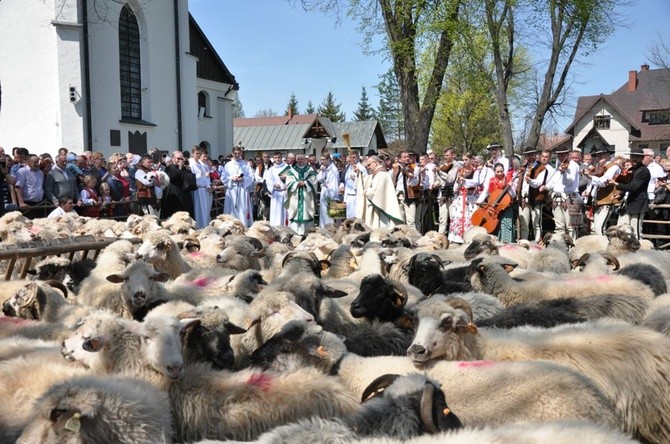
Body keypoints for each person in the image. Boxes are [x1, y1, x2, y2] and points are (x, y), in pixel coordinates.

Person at [610, 146, 650, 239]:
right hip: (627, 204)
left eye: (637, 157)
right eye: (633, 156)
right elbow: (629, 186)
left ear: (642, 158)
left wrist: (616, 183)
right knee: (621, 229)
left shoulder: (644, 171)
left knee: (636, 231)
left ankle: (640, 252)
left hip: (638, 205)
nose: (634, 159)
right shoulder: (633, 170)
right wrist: (620, 194)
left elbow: (634, 187)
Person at [355, 155, 403, 228]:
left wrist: (366, 191)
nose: (368, 167)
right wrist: (359, 173)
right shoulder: (376, 174)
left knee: (381, 228)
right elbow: (367, 180)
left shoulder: (383, 175)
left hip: (380, 207)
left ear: (375, 163)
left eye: (369, 165)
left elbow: (376, 192)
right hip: (375, 207)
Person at [582, 145, 620, 235]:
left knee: (600, 228)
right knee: (595, 228)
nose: (598, 157)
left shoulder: (613, 167)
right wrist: (588, 191)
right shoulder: (601, 168)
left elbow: (603, 183)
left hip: (607, 201)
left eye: (601, 155)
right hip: (598, 202)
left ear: (608, 155)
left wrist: (589, 176)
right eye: (597, 155)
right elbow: (595, 183)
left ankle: (603, 247)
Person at [546, 146, 582, 240]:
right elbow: (554, 180)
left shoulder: (573, 165)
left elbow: (570, 182)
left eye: (563, 155)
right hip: (557, 197)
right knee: (559, 226)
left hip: (570, 197)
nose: (561, 157)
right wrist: (546, 186)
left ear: (567, 154)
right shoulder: (558, 164)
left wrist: (564, 172)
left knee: (571, 226)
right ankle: (560, 245)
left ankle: (573, 246)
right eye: (559, 155)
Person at [477, 162, 517, 242]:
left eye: (501, 171)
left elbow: (513, 195)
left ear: (504, 171)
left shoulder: (508, 179)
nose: (499, 173)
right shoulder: (491, 180)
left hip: (505, 206)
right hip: (494, 207)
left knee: (506, 224)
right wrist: (479, 200)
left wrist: (510, 187)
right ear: (494, 171)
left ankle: (506, 242)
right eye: (497, 172)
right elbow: (486, 192)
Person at [521, 148, 551, 241]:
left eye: (531, 154)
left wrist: (530, 181)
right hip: (523, 198)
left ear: (535, 155)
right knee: (524, 224)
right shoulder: (523, 168)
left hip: (535, 199)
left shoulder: (541, 168)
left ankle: (538, 244)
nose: (530, 157)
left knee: (536, 224)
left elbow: (538, 183)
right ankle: (524, 243)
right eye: (528, 155)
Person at [284, 153, 317, 235]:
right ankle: (294, 232)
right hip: (295, 195)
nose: (300, 161)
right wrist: (296, 184)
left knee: (306, 212)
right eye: (298, 159)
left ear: (305, 160)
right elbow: (288, 182)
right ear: (296, 160)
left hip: (306, 195)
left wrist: (305, 183)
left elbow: (314, 181)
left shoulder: (310, 169)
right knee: (295, 213)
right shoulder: (292, 170)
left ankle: (307, 232)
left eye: (301, 159)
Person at [223, 146, 254, 227]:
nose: (237, 155)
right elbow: (223, 177)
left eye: (238, 153)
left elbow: (251, 176)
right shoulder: (228, 165)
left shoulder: (245, 164)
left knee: (243, 209)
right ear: (233, 154)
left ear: (241, 153)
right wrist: (232, 178)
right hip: (232, 189)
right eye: (235, 153)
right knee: (232, 209)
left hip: (242, 189)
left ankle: (243, 225)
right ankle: (231, 226)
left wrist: (243, 179)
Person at [448, 161, 478, 244]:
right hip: (460, 200)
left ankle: (470, 237)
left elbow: (475, 183)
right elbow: (455, 189)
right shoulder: (460, 172)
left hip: (470, 200)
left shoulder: (475, 173)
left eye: (467, 159)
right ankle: (457, 238)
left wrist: (465, 180)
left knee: (470, 217)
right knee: (459, 216)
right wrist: (458, 182)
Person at [160, 150, 195, 220]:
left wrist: (185, 169)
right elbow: (173, 177)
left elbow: (189, 179)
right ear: (173, 158)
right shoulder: (169, 168)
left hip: (184, 195)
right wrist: (180, 168)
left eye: (181, 159)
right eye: (178, 158)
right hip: (174, 195)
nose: (180, 160)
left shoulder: (185, 168)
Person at [435, 148, 461, 235]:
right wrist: (436, 182)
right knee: (442, 217)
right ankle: (440, 236)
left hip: (452, 193)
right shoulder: (443, 165)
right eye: (445, 155)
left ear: (453, 155)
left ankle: (453, 237)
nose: (445, 157)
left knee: (452, 217)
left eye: (448, 155)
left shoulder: (456, 165)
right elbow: (440, 180)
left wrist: (440, 172)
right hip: (442, 193)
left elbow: (450, 179)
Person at [14, 153, 46, 218]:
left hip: (40, 204)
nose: (37, 164)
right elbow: (18, 188)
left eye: (38, 162)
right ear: (28, 161)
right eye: (35, 162)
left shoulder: (40, 173)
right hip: (28, 204)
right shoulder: (22, 172)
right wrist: (21, 203)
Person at [263, 151, 289, 227]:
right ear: (273, 159)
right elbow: (268, 180)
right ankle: (275, 227)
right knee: (276, 212)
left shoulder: (287, 168)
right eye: (276, 158)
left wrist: (286, 179)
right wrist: (274, 184)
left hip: (285, 192)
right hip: (276, 194)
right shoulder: (271, 169)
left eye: (279, 157)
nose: (277, 159)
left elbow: (292, 179)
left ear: (281, 158)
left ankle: (285, 226)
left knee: (285, 212)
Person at [189, 146, 212, 229]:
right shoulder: (191, 164)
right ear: (193, 154)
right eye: (197, 153)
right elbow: (192, 177)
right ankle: (199, 227)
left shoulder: (201, 165)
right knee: (198, 209)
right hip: (197, 189)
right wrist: (201, 175)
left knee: (205, 210)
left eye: (199, 153)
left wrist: (208, 186)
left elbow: (206, 178)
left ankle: (204, 225)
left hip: (203, 189)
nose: (198, 155)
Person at [316, 152, 340, 227]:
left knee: (330, 215)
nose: (322, 162)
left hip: (330, 194)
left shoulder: (333, 169)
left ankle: (330, 229)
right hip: (324, 191)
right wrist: (322, 171)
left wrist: (332, 197)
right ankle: (323, 227)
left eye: (323, 160)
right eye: (321, 160)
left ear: (328, 159)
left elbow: (334, 185)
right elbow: (318, 178)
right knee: (323, 213)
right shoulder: (324, 168)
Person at [415, 152, 437, 234]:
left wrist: (430, 186)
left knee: (427, 214)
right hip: (421, 191)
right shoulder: (419, 167)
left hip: (428, 191)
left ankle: (426, 230)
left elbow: (431, 179)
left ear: (427, 159)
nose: (421, 161)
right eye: (420, 159)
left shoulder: (431, 167)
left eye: (422, 159)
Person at [342, 151, 367, 219]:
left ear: (358, 158)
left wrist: (356, 179)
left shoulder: (361, 168)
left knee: (356, 217)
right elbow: (347, 184)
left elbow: (365, 183)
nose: (352, 159)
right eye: (350, 157)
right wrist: (345, 199)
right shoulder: (348, 168)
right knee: (349, 218)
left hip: (357, 196)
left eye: (354, 157)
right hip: (349, 197)